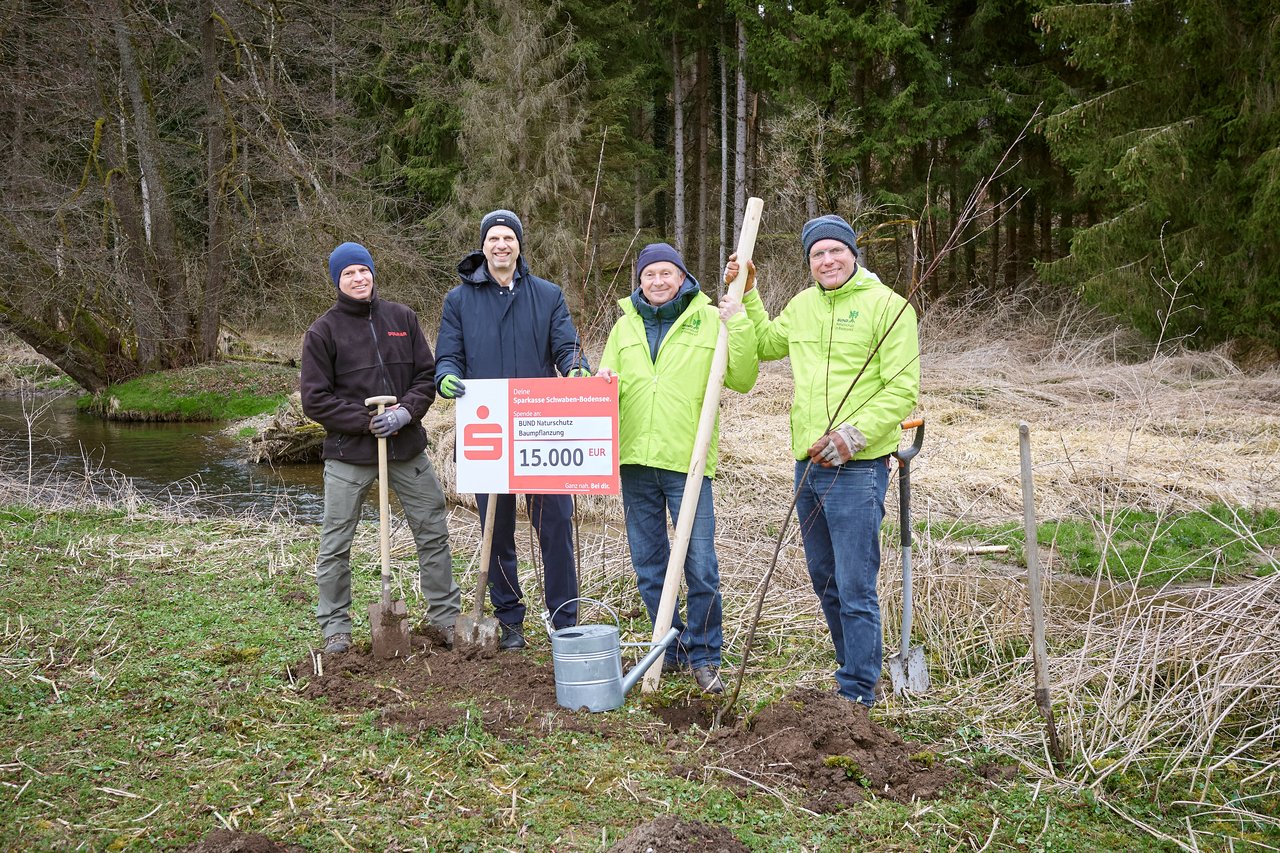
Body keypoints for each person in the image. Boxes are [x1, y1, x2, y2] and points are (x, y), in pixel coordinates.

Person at [726, 214, 920, 708]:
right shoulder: (803, 306)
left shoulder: (889, 308)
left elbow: (902, 390)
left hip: (858, 468)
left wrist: (852, 436)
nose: (827, 260)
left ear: (853, 253)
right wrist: (749, 291)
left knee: (855, 585)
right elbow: (765, 343)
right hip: (809, 465)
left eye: (836, 250)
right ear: (809, 262)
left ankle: (857, 692)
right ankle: (854, 668)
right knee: (825, 579)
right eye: (817, 254)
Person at [597, 243, 758, 694]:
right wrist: (601, 383)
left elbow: (744, 378)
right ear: (640, 281)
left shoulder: (709, 318)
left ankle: (705, 655)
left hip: (688, 460)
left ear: (682, 277)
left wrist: (738, 320)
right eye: (649, 274)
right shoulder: (625, 325)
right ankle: (668, 648)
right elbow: (607, 383)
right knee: (649, 564)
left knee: (700, 564)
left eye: (666, 273)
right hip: (634, 459)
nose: (658, 281)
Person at [434, 210, 591, 650]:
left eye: (508, 238)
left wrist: (576, 369)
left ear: (519, 245)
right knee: (496, 531)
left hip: (541, 430)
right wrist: (445, 376)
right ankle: (510, 622)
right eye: (493, 239)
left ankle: (565, 622)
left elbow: (567, 347)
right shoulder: (458, 301)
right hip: (488, 432)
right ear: (483, 246)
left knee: (556, 526)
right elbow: (449, 355)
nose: (501, 245)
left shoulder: (548, 295)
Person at [301, 241, 462, 655]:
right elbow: (315, 400)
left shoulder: (402, 318)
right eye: (348, 273)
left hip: (406, 449)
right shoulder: (323, 332)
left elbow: (425, 376)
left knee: (432, 531)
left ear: (373, 272)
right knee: (336, 543)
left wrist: (405, 413)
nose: (358, 278)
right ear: (337, 280)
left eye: (363, 270)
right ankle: (336, 628)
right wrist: (365, 421)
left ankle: (444, 618)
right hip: (349, 454)